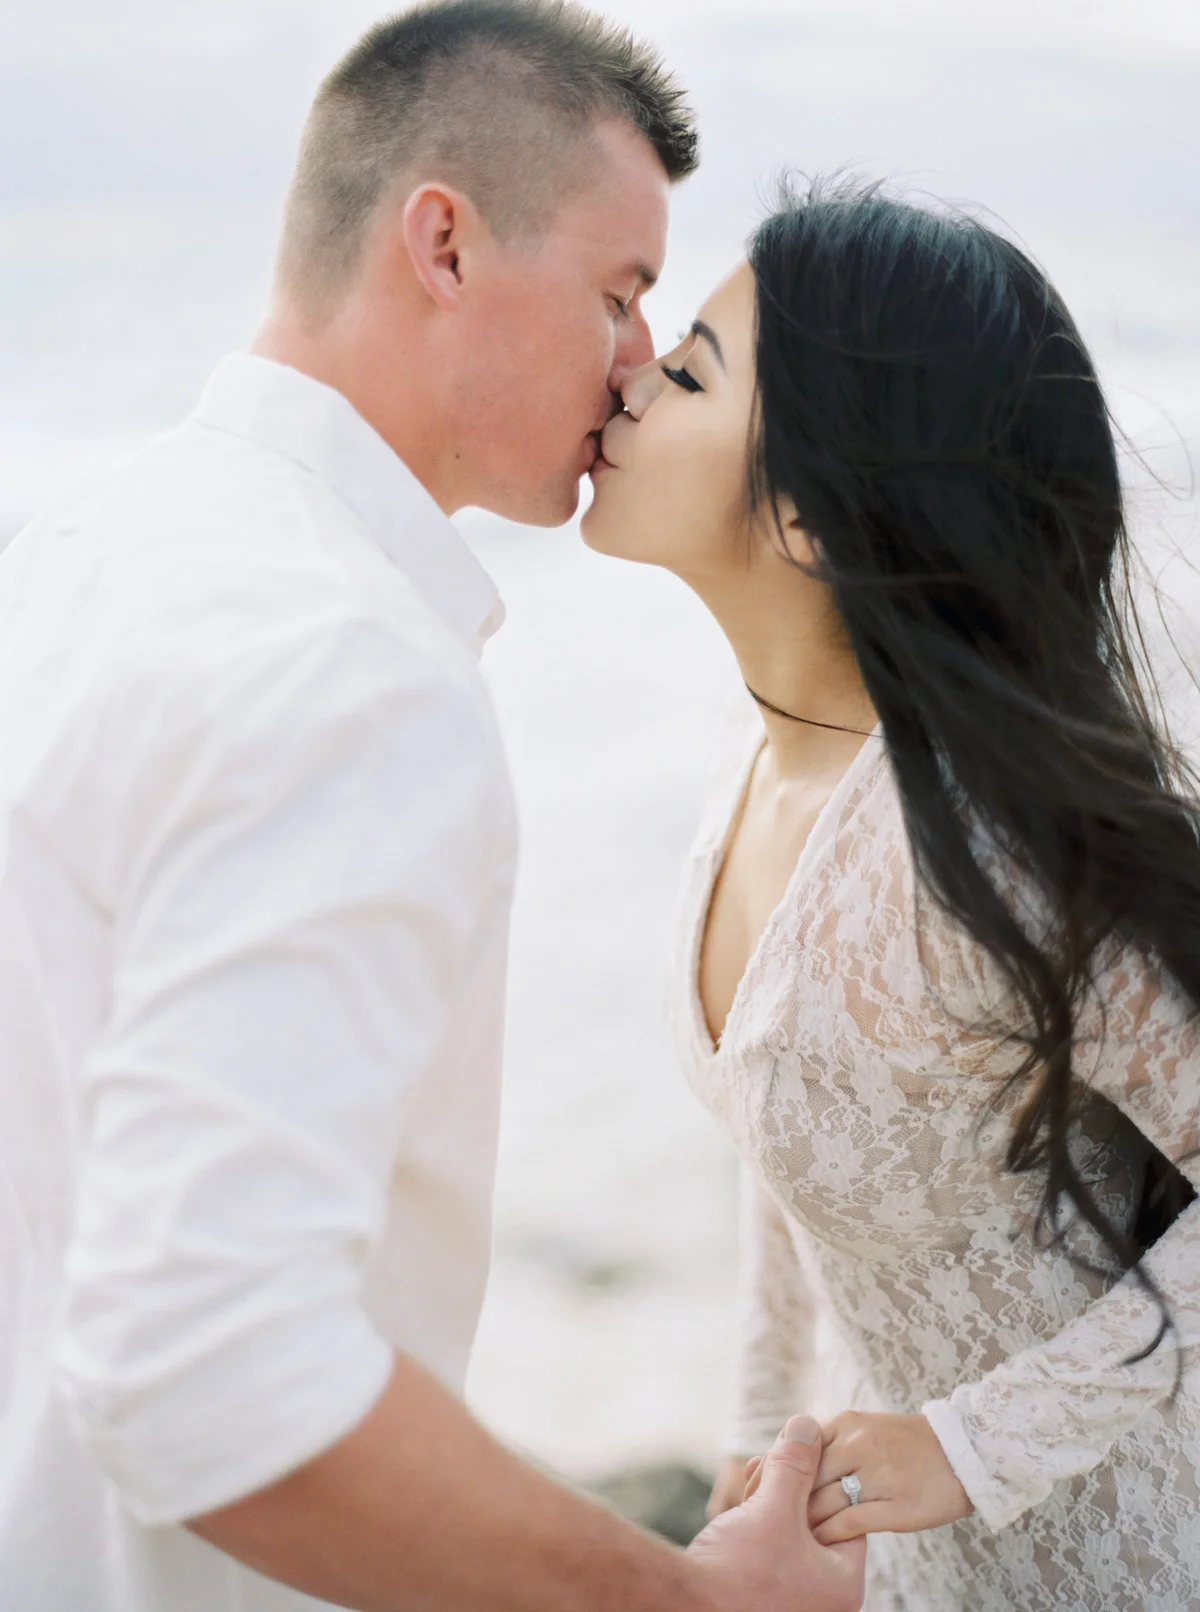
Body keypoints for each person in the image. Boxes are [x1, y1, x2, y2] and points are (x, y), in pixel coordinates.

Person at [0, 6, 866, 1611]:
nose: (636, 360)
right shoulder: (354, 668)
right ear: (445, 243)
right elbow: (205, 1366)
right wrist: (695, 1603)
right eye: (619, 292)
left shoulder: (70, 555)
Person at [581, 176, 1200, 1610]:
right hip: (916, 1575)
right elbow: (785, 1166)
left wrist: (975, 1442)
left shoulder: (991, 853)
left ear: (804, 513)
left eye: (684, 373)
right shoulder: (761, 773)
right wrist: (756, 1457)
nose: (626, 377)